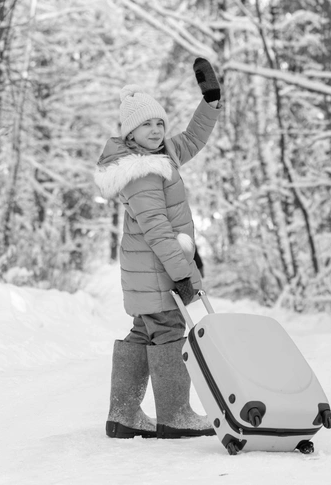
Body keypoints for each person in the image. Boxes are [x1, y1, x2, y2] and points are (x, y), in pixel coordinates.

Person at [94, 58, 221, 439]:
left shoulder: (159, 155)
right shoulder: (143, 171)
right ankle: (175, 414)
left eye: (159, 122)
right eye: (145, 124)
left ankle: (124, 415)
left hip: (147, 270)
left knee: (143, 330)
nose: (155, 129)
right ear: (130, 133)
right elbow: (157, 230)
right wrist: (184, 274)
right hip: (157, 269)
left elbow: (193, 139)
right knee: (168, 330)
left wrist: (210, 101)